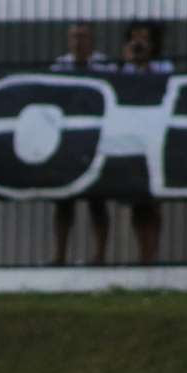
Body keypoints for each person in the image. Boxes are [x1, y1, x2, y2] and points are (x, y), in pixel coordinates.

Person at [49, 23, 112, 266]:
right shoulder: (59, 66)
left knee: (97, 198)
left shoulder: (105, 65)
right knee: (64, 201)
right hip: (66, 141)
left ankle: (100, 254)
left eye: (83, 37)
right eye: (74, 37)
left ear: (92, 40)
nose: (78, 42)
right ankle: (60, 254)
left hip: (97, 139)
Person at [120, 21, 173, 265]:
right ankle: (143, 252)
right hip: (131, 139)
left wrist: (144, 66)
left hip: (155, 139)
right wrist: (130, 64)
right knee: (137, 201)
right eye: (134, 38)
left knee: (153, 201)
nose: (139, 44)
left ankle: (152, 252)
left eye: (144, 39)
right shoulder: (123, 68)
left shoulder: (164, 66)